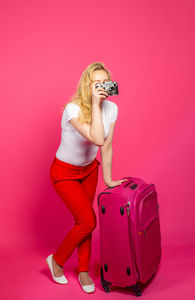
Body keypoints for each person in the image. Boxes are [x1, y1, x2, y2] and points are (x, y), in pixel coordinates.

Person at [45, 62, 128, 293]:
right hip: (64, 174)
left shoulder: (112, 109)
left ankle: (83, 271)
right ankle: (56, 261)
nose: (101, 87)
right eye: (96, 83)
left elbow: (108, 146)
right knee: (88, 222)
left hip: (89, 170)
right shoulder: (73, 109)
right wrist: (94, 103)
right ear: (87, 85)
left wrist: (109, 179)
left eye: (105, 82)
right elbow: (97, 139)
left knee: (83, 222)